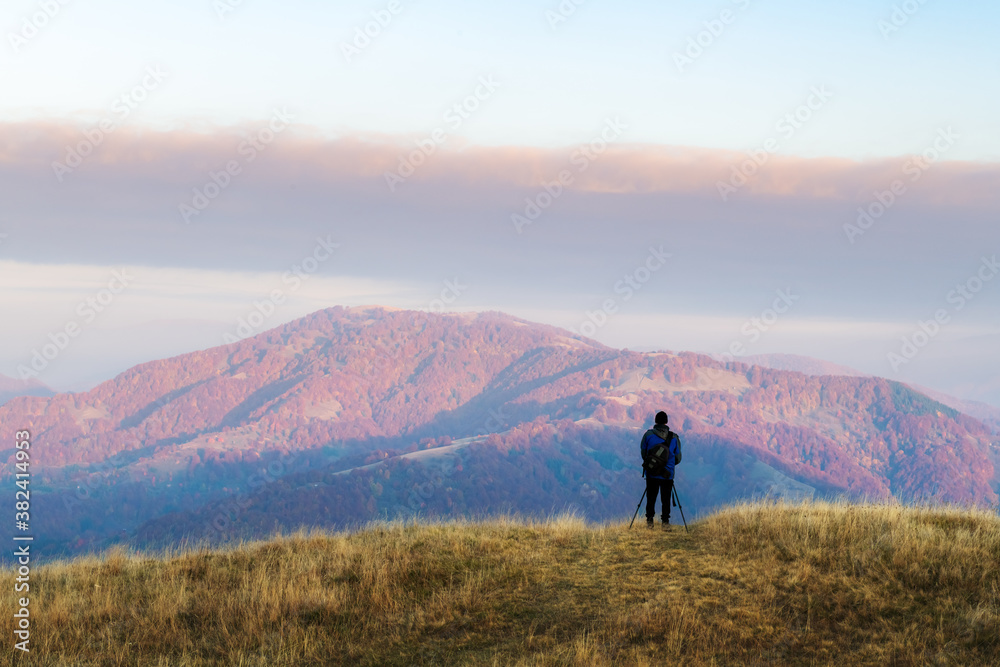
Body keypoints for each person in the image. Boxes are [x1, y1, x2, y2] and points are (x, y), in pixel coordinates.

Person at [639, 411, 682, 530]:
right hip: (667, 475)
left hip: (651, 473)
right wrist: (668, 465)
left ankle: (649, 522)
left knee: (651, 498)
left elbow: (644, 453)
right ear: (666, 422)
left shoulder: (648, 435)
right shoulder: (674, 437)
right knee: (666, 498)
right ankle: (665, 523)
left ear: (655, 421)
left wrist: (654, 465)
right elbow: (678, 458)